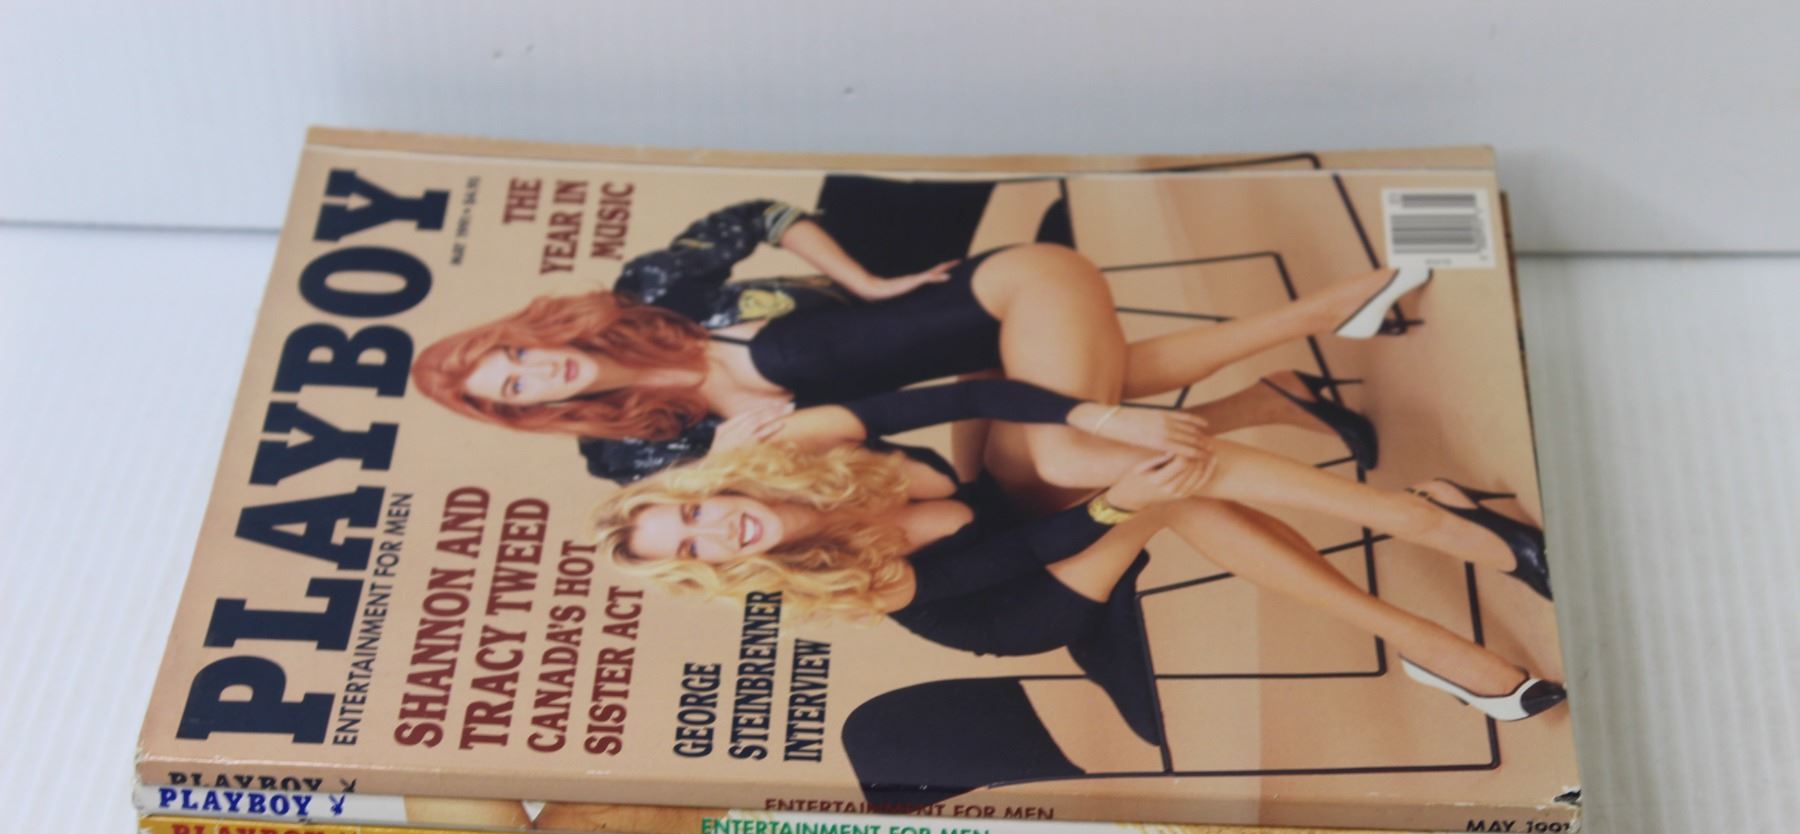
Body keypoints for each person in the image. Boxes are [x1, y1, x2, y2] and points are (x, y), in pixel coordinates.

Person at [591, 380, 1564, 725]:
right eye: (694, 554)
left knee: (1089, 436)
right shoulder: (846, 584)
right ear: (708, 576)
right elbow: (1012, 561)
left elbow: (964, 394)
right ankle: (1426, 612)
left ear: (705, 487)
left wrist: (1101, 416)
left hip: (996, 507)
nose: (716, 535)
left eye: (693, 513)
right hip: (1019, 599)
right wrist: (1111, 504)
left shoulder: (794, 453)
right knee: (1166, 498)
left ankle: (1424, 519)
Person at [409, 199, 1419, 483]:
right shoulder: (631, 450)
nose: (534, 371)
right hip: (992, 368)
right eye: (513, 388)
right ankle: (1291, 370)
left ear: (525, 334)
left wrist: (866, 284)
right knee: (1067, 432)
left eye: (514, 353)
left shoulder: (656, 292)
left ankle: (1325, 334)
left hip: (1017, 286)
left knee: (1068, 456)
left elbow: (758, 217)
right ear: (527, 412)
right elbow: (730, 498)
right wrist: (727, 457)